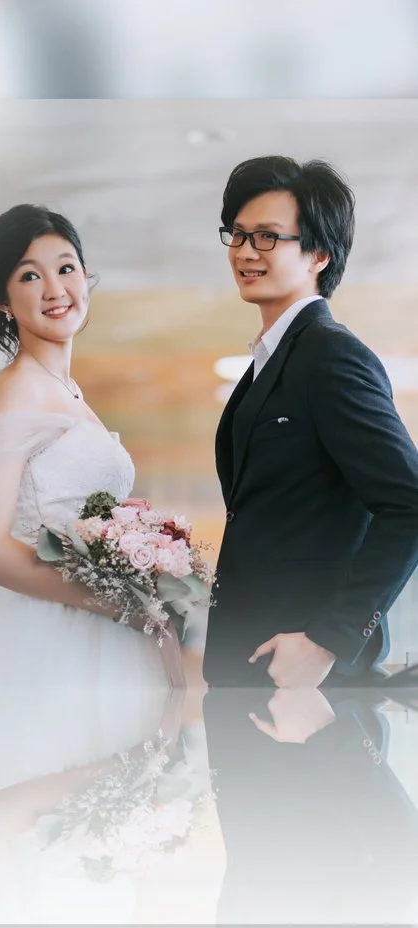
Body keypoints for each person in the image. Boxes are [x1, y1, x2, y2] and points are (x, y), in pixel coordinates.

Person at [0, 204, 178, 920]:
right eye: (30, 274)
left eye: (66, 267)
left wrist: (139, 586)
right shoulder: (14, 388)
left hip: (100, 637)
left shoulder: (70, 398)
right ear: (1, 299)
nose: (55, 287)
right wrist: (110, 600)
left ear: (88, 278)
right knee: (42, 817)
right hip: (41, 641)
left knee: (81, 859)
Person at [202, 156, 418, 687]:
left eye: (269, 237)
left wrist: (330, 641)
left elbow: (409, 502)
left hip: (301, 674)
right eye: (238, 234)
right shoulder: (270, 361)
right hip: (250, 662)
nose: (246, 251)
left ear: (319, 253)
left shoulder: (330, 356)